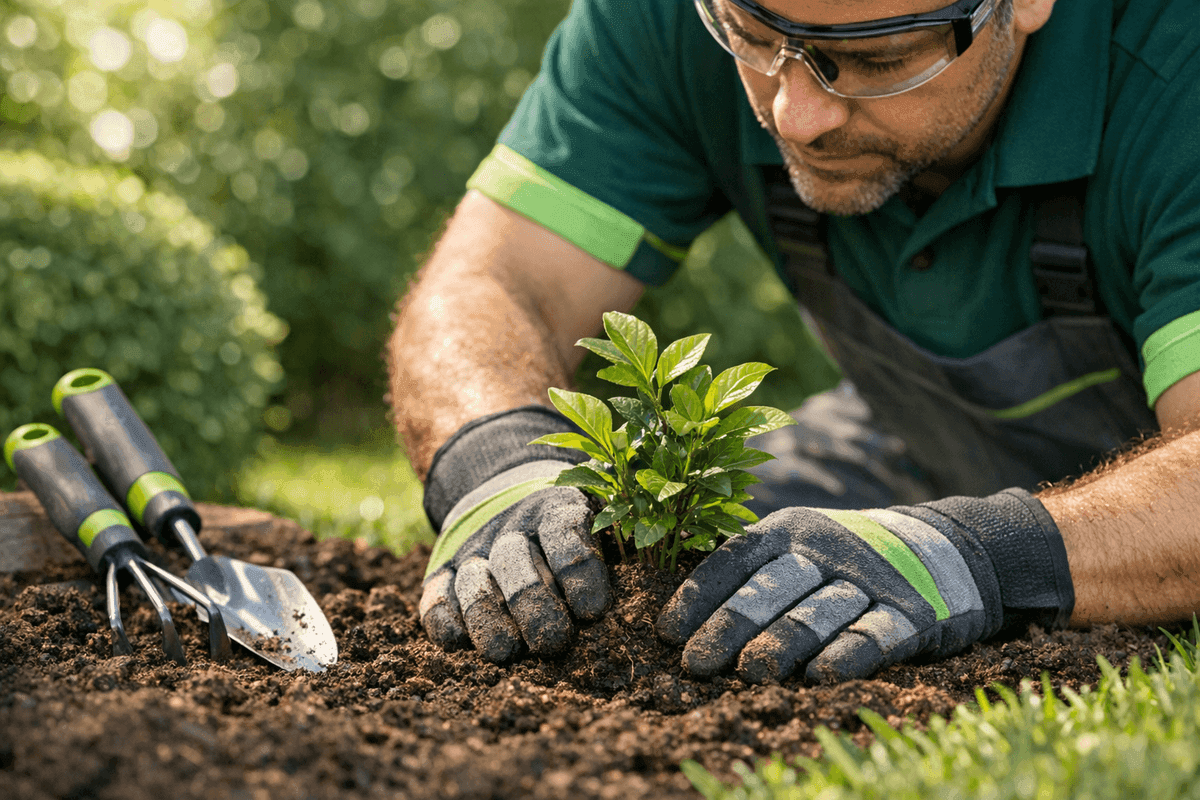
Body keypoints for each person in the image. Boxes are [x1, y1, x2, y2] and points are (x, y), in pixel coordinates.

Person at [387, 0, 1200, 682]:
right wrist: (492, 463)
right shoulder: (667, 19)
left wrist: (990, 555)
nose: (794, 115)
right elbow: (494, 282)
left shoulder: (1177, 64)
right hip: (905, 434)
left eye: (880, 58)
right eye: (753, 35)